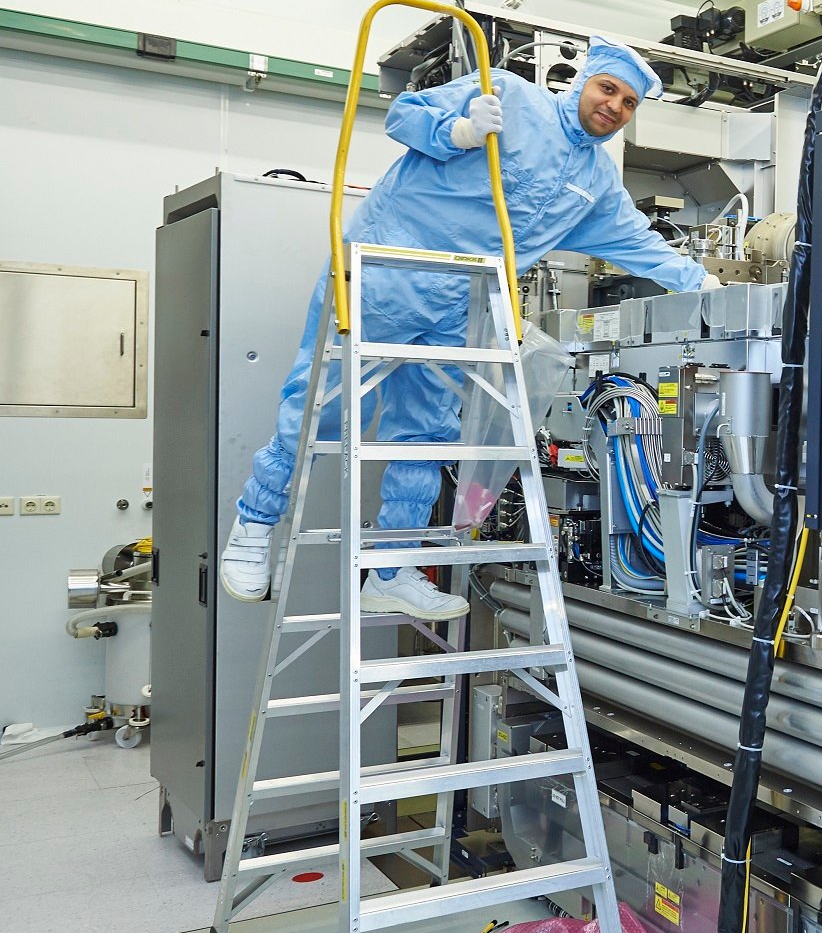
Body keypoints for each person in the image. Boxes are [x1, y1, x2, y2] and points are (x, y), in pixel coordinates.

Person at [220, 37, 717, 620]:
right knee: (318, 408)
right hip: (386, 272)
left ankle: (391, 570)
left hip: (459, 305)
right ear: (584, 82)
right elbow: (405, 115)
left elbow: (636, 242)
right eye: (608, 89)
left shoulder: (596, 183)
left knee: (424, 434)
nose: (614, 106)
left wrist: (704, 284)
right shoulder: (508, 95)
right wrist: (455, 133)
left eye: (629, 103)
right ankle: (253, 529)